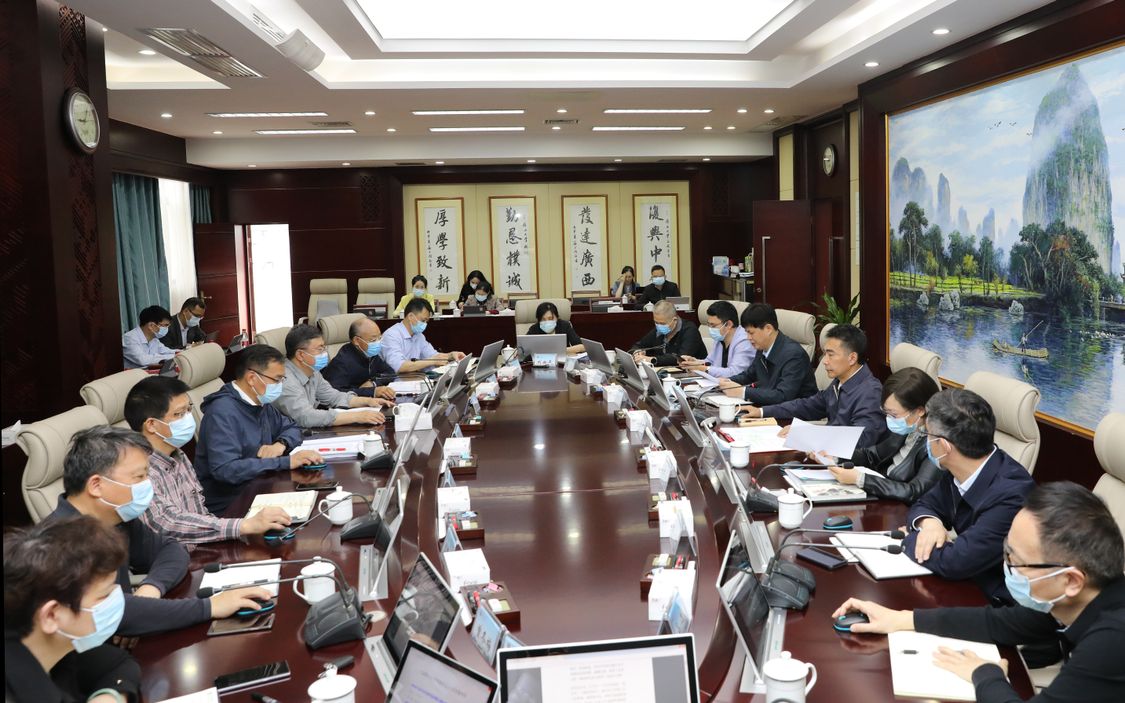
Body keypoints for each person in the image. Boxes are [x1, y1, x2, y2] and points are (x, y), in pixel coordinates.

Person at [834, 481, 1125, 703]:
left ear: (1071, 580)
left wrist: (985, 674)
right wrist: (900, 619)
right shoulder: (1076, 600)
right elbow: (1000, 622)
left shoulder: (1113, 639)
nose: (1007, 566)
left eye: (1016, 560)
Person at [46, 427, 271, 637]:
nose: (148, 485)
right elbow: (111, 611)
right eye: (139, 477)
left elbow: (171, 549)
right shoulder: (59, 545)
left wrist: (151, 587)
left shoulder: (115, 520)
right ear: (96, 485)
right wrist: (210, 607)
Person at [124, 376, 292, 545]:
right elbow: (167, 523)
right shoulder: (137, 470)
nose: (188, 418)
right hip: (176, 556)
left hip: (203, 545)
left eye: (189, 409)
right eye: (179, 414)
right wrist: (243, 526)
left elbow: (200, 512)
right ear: (151, 425)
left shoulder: (177, 455)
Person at [903, 388, 1036, 602]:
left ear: (943, 446)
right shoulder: (963, 467)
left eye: (927, 435)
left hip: (998, 602)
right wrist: (929, 524)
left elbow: (956, 562)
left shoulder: (1012, 495)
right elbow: (925, 504)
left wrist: (909, 540)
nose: (926, 441)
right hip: (969, 584)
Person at [5, 515, 140, 703]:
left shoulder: (58, 648)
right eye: (104, 595)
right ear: (51, 615)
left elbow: (120, 663)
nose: (115, 600)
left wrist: (111, 696)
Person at [194, 344, 324, 514]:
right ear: (251, 378)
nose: (280, 385)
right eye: (277, 380)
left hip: (261, 486)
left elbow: (292, 427)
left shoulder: (260, 402)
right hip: (231, 503)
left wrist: (280, 444)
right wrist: (286, 462)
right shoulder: (222, 412)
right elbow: (225, 470)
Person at [740, 324, 887, 448]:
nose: (825, 361)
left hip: (849, 466)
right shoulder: (840, 382)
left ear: (852, 358)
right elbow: (807, 405)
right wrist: (762, 412)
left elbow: (861, 440)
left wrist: (809, 434)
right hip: (826, 453)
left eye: (831, 355)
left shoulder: (870, 392)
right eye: (825, 354)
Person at [814, 367, 942, 503]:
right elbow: (872, 456)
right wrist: (836, 457)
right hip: (882, 496)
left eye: (894, 415)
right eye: (886, 413)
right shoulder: (908, 427)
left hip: (901, 507)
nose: (889, 419)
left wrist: (861, 479)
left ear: (920, 411)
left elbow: (914, 492)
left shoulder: (938, 443)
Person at [273, 324, 391, 429]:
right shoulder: (285, 380)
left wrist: (368, 401)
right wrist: (357, 416)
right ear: (300, 355)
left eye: (324, 348)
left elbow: (334, 397)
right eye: (320, 349)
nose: (325, 353)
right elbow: (306, 416)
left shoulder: (312, 372)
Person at [721, 303, 817, 404]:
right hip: (770, 407)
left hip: (796, 411)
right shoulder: (762, 347)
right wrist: (727, 381)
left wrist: (743, 392)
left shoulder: (794, 355)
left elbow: (783, 396)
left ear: (768, 329)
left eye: (751, 333)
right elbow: (749, 375)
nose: (748, 338)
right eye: (746, 333)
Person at [381, 298, 465, 374]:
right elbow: (400, 366)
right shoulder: (391, 335)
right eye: (423, 320)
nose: (425, 324)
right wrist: (432, 361)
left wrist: (451, 355)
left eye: (426, 321)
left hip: (413, 379)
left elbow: (433, 356)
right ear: (410, 316)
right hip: (395, 383)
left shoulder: (418, 335)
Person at [322, 317, 398, 399]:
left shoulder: (370, 354)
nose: (377, 343)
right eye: (373, 340)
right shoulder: (342, 362)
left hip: (368, 401)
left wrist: (373, 383)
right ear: (357, 341)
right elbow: (335, 393)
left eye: (379, 338)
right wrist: (372, 391)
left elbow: (390, 373)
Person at [678, 300, 755, 378]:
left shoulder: (744, 341)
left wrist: (703, 368)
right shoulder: (720, 338)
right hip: (718, 382)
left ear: (728, 324)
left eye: (713, 325)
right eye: (709, 325)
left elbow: (735, 372)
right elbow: (710, 362)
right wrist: (695, 362)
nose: (710, 329)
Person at [629, 300, 706, 367]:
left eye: (662, 323)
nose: (658, 326)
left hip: (692, 373)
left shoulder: (690, 330)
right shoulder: (659, 330)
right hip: (666, 371)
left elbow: (681, 358)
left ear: (674, 320)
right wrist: (637, 353)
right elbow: (639, 345)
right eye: (656, 322)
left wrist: (652, 359)